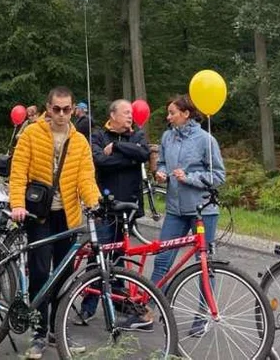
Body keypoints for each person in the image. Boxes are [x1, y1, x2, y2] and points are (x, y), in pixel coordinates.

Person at [9, 87, 101, 359]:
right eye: (57, 109)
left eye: (67, 109)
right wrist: (17, 204)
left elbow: (86, 177)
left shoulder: (80, 141)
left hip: (68, 215)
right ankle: (38, 333)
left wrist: (95, 202)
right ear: (48, 108)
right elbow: (18, 171)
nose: (62, 114)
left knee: (62, 277)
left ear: (73, 109)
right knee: (40, 273)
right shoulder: (31, 133)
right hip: (38, 215)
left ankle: (56, 330)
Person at [81, 99, 152, 325]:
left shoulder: (137, 134)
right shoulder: (98, 136)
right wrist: (128, 158)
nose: (130, 116)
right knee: (98, 257)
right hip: (105, 208)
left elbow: (143, 154)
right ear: (112, 115)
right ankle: (88, 306)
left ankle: (120, 304)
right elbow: (100, 161)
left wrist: (119, 148)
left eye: (131, 112)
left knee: (120, 260)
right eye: (125, 112)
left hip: (129, 209)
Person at [152, 95, 226, 300]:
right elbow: (162, 163)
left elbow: (219, 176)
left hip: (202, 211)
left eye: (172, 113)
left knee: (203, 263)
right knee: (162, 259)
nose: (168, 117)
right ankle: (147, 309)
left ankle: (204, 314)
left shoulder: (205, 140)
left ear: (186, 114)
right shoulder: (168, 137)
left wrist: (189, 178)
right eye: (168, 113)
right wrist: (161, 172)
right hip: (175, 210)